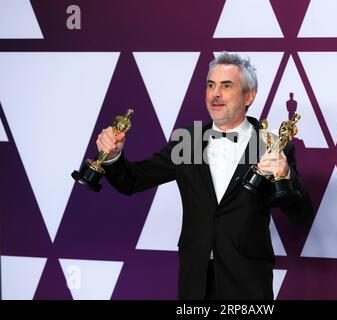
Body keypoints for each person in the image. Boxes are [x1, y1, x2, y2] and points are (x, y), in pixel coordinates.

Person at [96, 52, 314, 300]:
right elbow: (132, 181)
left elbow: (302, 215)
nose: (215, 93)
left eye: (226, 85)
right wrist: (113, 156)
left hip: (248, 280)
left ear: (249, 96)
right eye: (210, 85)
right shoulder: (187, 140)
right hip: (195, 280)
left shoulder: (271, 143)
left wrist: (285, 175)